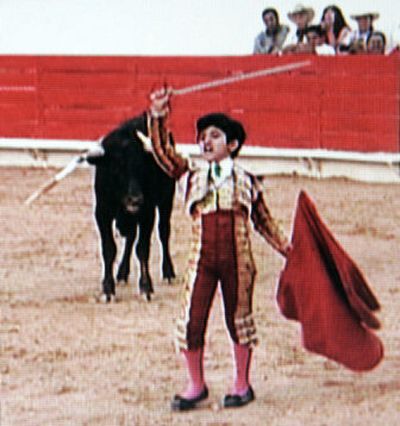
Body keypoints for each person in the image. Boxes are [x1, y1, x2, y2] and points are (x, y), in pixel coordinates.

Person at [146, 87, 291, 410]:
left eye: (214, 135)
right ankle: (196, 385)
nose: (205, 142)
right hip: (202, 260)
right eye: (202, 137)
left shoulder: (246, 180)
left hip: (239, 260)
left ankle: (242, 384)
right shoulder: (190, 175)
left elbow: (265, 222)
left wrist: (289, 249)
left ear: (233, 144)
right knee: (191, 321)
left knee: (238, 318)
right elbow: (161, 152)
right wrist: (158, 114)